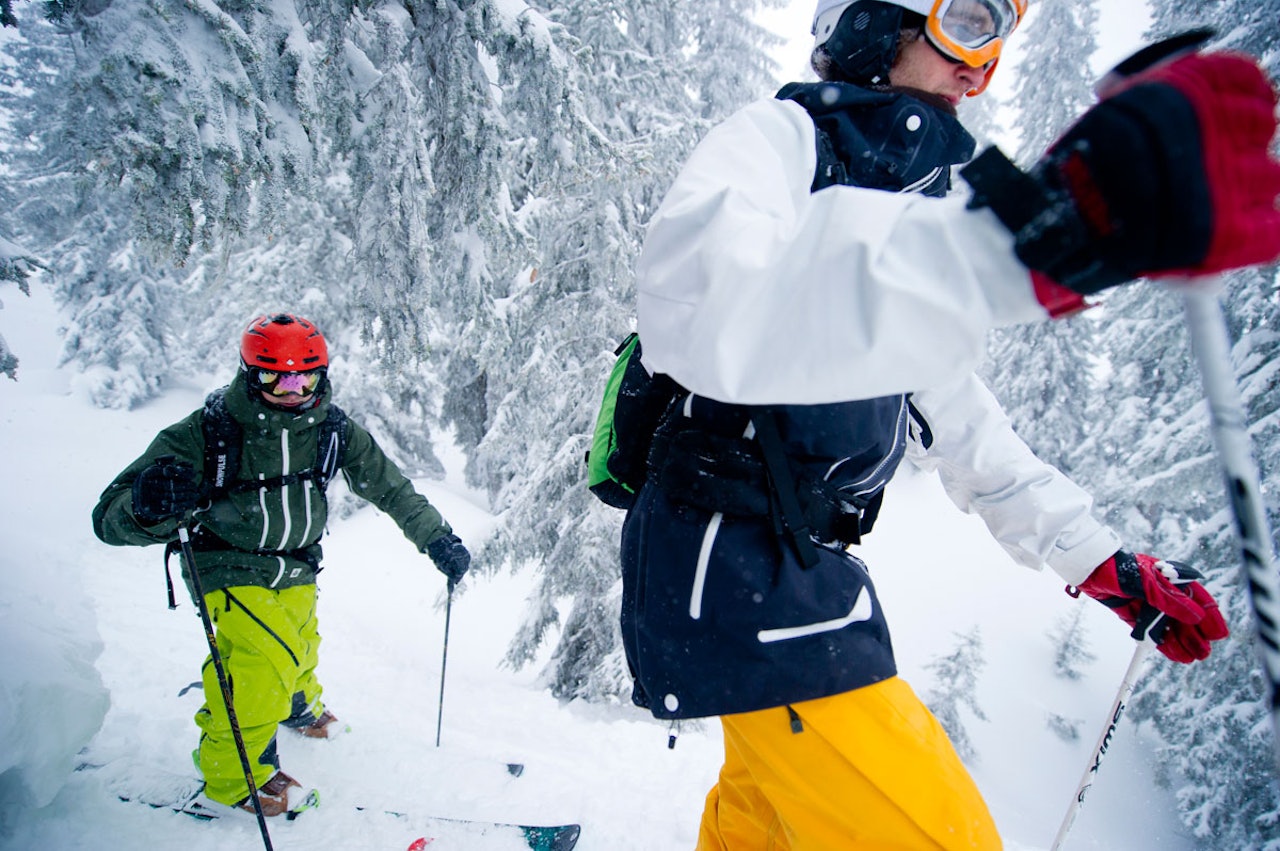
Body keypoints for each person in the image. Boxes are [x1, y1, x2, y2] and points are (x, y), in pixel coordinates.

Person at [621, 1, 1280, 848]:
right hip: (730, 561)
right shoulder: (779, 142)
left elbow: (966, 428)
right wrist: (1006, 246)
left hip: (798, 572)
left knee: (766, 829)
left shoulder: (908, 215)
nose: (980, 67)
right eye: (967, 22)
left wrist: (1102, 562)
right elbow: (699, 303)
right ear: (872, 20)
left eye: (998, 46)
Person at [93, 313, 473, 818]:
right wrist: (147, 505)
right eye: (276, 379)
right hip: (225, 561)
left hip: (297, 562)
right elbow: (108, 519)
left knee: (299, 642)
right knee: (261, 663)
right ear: (250, 375)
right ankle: (233, 777)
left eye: (305, 379)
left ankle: (297, 706)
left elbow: (390, 487)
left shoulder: (332, 430)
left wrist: (437, 538)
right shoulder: (208, 431)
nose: (293, 392)